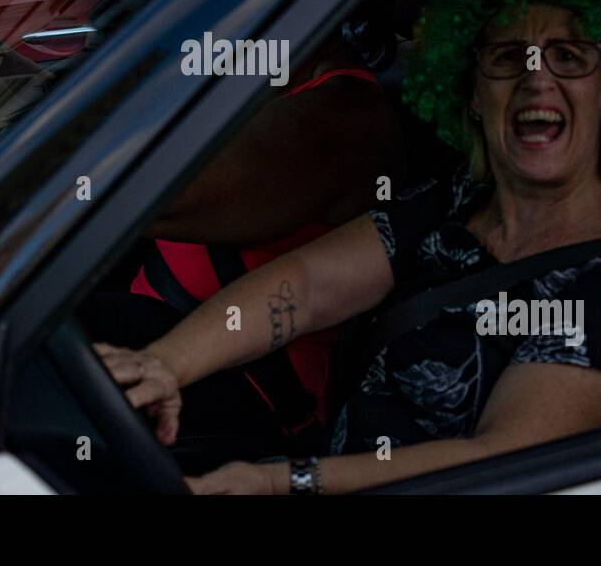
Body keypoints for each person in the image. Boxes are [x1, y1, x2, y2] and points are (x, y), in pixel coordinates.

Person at [95, 0, 601, 494]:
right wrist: (165, 365)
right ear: (470, 92)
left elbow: (498, 461)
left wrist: (279, 483)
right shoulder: (454, 202)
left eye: (570, 57)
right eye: (506, 57)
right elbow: (307, 288)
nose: (535, 78)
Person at [81, 27, 403, 459]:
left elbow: (154, 198)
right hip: (167, 338)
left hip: (250, 388)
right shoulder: (254, 81)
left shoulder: (340, 116)